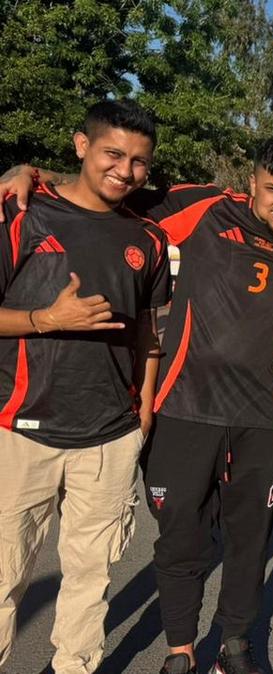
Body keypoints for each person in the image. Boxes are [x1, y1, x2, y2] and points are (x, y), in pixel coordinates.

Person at [0, 100, 170, 674]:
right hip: (23, 429)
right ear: (81, 145)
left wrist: (144, 409)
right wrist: (46, 320)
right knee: (4, 577)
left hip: (109, 435)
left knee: (90, 577)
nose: (126, 170)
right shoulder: (23, 212)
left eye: (139, 161)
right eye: (113, 154)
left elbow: (148, 331)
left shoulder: (147, 238)